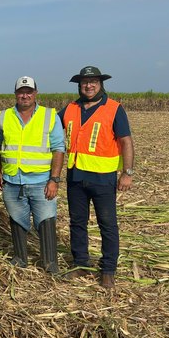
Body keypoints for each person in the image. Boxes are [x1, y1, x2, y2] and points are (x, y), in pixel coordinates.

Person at [59, 66, 135, 289]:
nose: (89, 85)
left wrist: (127, 173)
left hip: (103, 178)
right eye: (84, 82)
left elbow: (126, 142)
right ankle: (80, 263)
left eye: (93, 81)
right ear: (79, 85)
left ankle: (108, 269)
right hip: (76, 177)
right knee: (77, 223)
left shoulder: (114, 109)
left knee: (108, 224)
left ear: (101, 84)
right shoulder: (70, 108)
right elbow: (48, 125)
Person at [0, 76, 65, 273]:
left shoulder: (50, 116)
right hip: (12, 181)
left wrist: (54, 179)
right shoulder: (2, 116)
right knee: (17, 218)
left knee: (46, 219)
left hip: (41, 181)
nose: (24, 95)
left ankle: (50, 263)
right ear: (15, 94)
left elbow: (58, 149)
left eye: (28, 91)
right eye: (21, 91)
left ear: (36, 93)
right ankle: (20, 258)